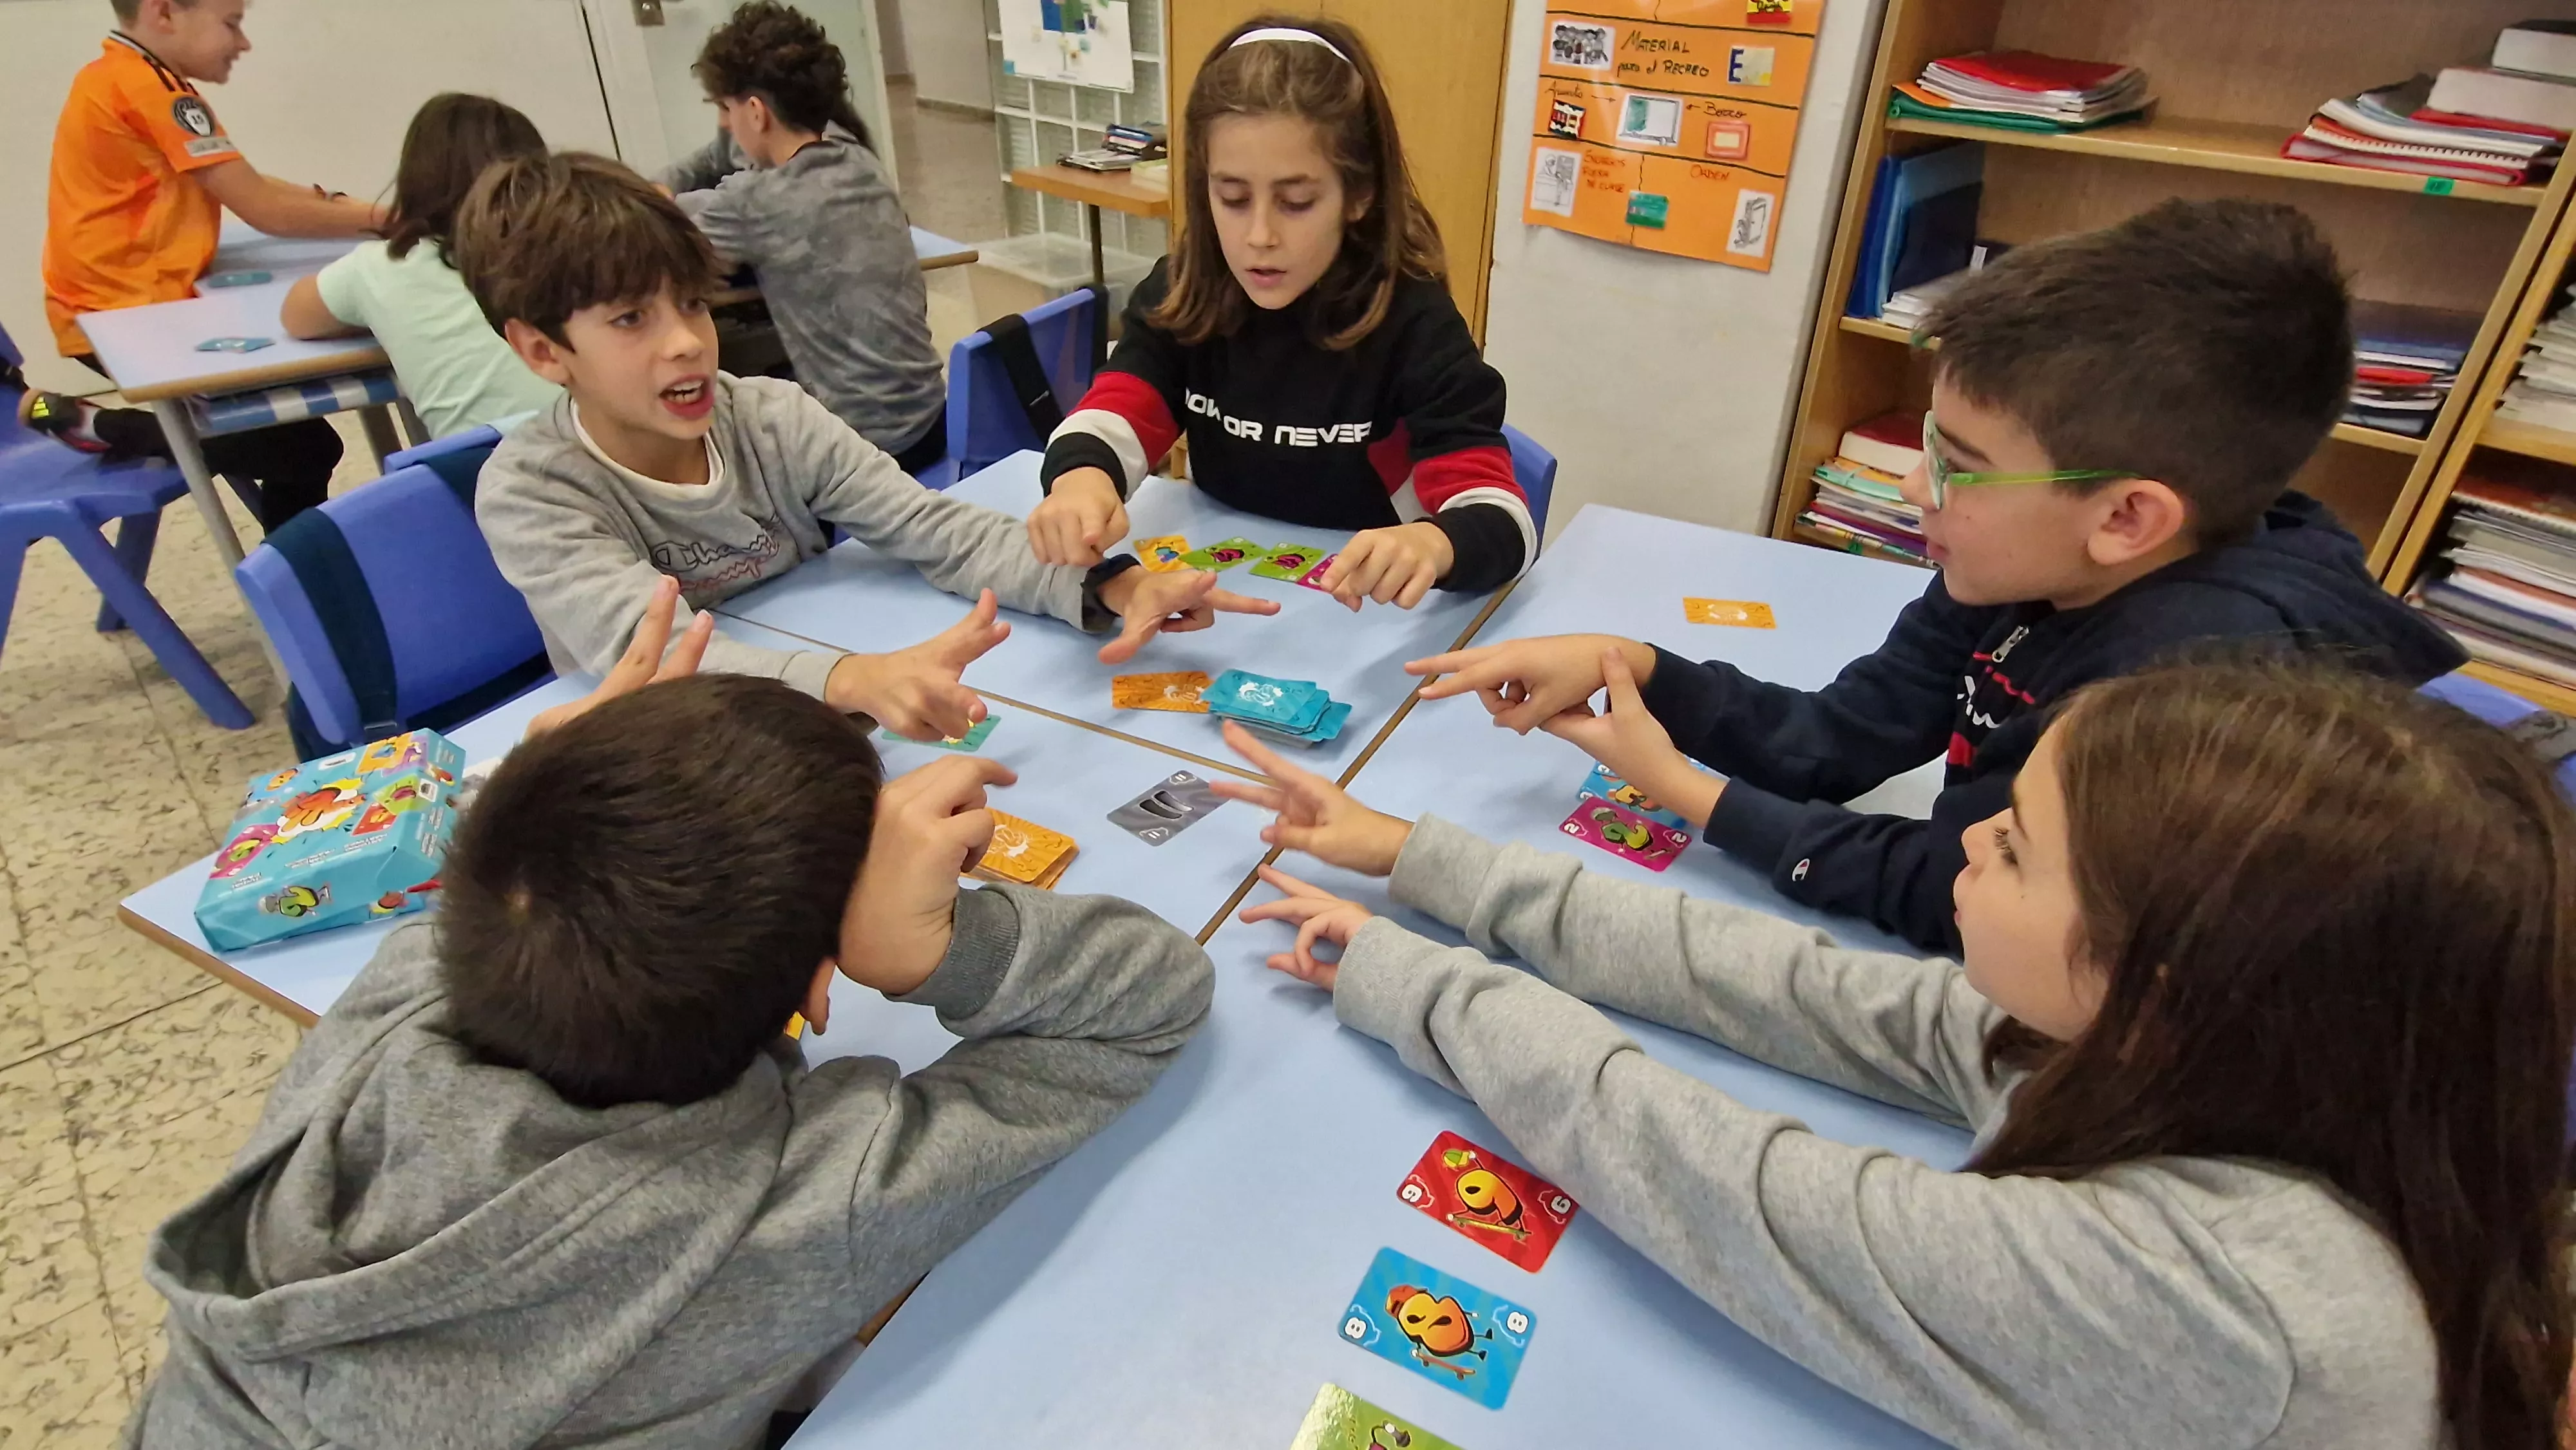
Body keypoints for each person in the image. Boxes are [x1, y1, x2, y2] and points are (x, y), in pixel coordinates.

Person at [1213, 663, 2574, 1450]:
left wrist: (1412, 978)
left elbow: (1740, 1197)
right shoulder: (2252, 1049)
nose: (1962, 842)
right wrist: (1422, 861)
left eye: (2013, 846)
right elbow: (1792, 986)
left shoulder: (2225, 1302)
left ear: (2158, 983)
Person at [125, 582, 1215, 1449]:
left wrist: (565, 784)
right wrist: (920, 946)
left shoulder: (387, 1021)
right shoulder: (794, 1211)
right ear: (813, 982)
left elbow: (489, 899)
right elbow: (1151, 1000)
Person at [1406, 199, 2466, 951]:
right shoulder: (2017, 554)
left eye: (1962, 463)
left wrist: (1686, 789)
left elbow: (1955, 894)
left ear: (2128, 518)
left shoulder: (2187, 715)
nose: (1917, 485)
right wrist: (1633, 663)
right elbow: (1842, 738)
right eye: (1932, 441)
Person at [453, 151, 1277, 741]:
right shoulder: (532, 491)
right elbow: (666, 663)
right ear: (541, 351)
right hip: (687, 750)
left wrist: (1112, 582)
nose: (685, 344)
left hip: (815, 720)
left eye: (693, 305)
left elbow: (934, 527)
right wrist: (853, 679)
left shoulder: (770, 415)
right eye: (633, 320)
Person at [1025, 16, 1532, 612]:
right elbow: (1121, 405)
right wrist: (1082, 477)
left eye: (1297, 202)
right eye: (1233, 198)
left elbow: (1503, 522)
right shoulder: (1188, 285)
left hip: (1367, 610)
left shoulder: (1413, 323)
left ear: (1359, 195)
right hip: (1226, 588)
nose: (1260, 235)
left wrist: (1437, 542)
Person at [30, 0, 379, 531]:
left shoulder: (124, 76)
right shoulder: (150, 88)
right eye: (231, 24)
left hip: (123, 304)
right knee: (306, 448)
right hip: (119, 318)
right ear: (165, 13)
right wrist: (394, 220)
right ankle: (113, 428)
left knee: (303, 446)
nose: (243, 43)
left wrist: (359, 210)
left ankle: (299, 579)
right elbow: (265, 210)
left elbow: (247, 185)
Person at [663, 1, 947, 475]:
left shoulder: (756, 204)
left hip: (863, 452)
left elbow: (660, 220)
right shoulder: (858, 158)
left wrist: (653, 191)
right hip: (931, 422)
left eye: (726, 110)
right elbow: (723, 155)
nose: (726, 124)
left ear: (755, 112)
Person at [279, 93, 562, 440]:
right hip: (605, 459)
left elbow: (297, 317)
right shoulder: (565, 248)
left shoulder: (378, 267)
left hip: (475, 477)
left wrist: (382, 315)